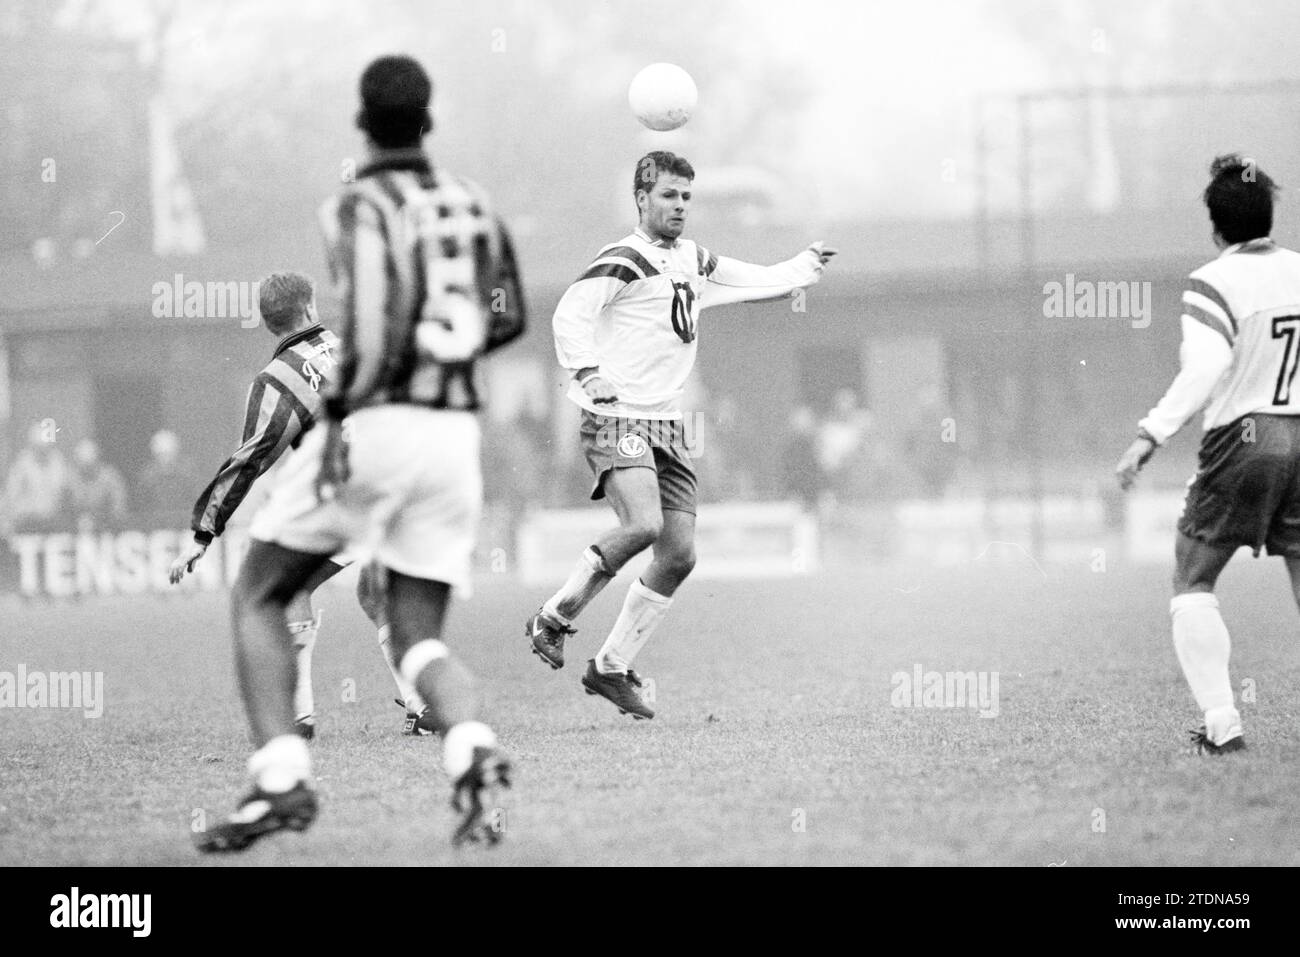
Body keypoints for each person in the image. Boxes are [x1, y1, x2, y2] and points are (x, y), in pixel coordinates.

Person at [196, 55, 525, 852]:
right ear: (430, 119)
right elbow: (508, 314)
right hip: (453, 441)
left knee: (259, 592)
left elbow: (371, 324)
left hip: (377, 424)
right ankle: (470, 746)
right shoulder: (474, 204)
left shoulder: (355, 206)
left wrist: (342, 417)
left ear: (361, 123)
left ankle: (280, 776)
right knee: (417, 636)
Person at [526, 150, 835, 719]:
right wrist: (589, 373)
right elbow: (569, 314)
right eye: (669, 195)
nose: (680, 206)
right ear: (641, 198)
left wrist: (802, 268)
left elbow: (749, 280)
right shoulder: (623, 259)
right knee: (642, 524)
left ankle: (611, 666)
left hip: (669, 423)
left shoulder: (691, 259)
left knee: (679, 555)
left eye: (687, 197)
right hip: (616, 414)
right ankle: (554, 617)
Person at [167, 271, 434, 739]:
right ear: (310, 307)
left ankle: (298, 717)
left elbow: (251, 457)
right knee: (376, 594)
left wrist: (202, 531)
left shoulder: (280, 379)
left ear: (269, 323)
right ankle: (424, 705)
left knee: (286, 588)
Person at [1116, 153, 1300, 755]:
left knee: (1193, 577)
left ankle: (1223, 723)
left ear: (1217, 229)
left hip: (1245, 439)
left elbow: (1207, 366)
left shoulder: (1213, 282)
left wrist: (1151, 433)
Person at [3, 421, 69, 534]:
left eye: (45, 447)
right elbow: (12, 494)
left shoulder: (57, 461)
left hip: (52, 522)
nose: (42, 451)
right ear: (32, 446)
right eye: (38, 447)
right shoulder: (22, 463)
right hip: (28, 522)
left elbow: (63, 491)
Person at [135, 430, 199, 524]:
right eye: (161, 455)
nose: (165, 459)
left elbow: (196, 500)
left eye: (169, 454)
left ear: (176, 453)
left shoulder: (187, 473)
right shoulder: (148, 476)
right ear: (154, 455)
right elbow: (141, 504)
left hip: (184, 523)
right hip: (155, 524)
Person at [66, 439, 128, 531]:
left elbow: (119, 509)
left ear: (97, 461)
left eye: (90, 465)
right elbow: (64, 509)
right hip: (76, 528)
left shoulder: (110, 478)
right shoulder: (70, 480)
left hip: (108, 528)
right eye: (83, 466)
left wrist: (101, 521)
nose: (87, 469)